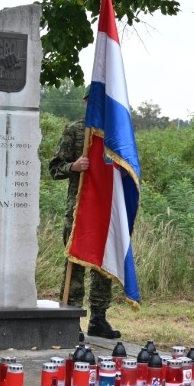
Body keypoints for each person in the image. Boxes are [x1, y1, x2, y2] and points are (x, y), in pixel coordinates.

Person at [48, 105, 121, 339]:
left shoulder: (115, 132)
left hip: (105, 209)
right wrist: (73, 166)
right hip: (78, 209)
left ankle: (98, 319)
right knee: (75, 265)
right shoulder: (75, 130)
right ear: (88, 101)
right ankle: (70, 320)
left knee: (103, 265)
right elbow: (54, 168)